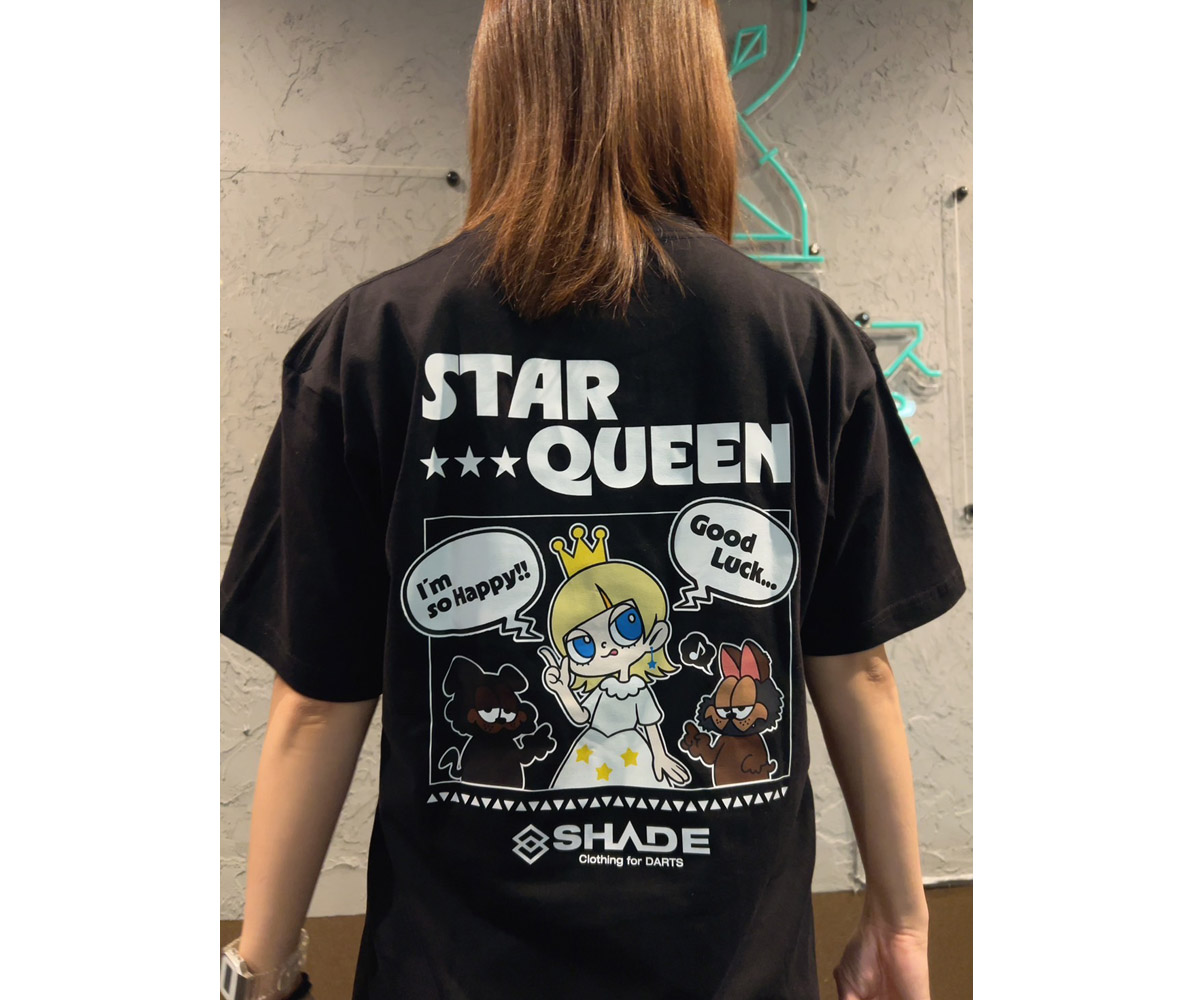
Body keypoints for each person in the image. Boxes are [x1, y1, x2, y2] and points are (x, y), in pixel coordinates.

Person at [218, 1, 966, 998]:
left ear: (502, 87)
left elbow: (317, 706)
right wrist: (901, 926)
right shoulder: (806, 343)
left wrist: (258, 971)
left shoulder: (371, 343)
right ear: (696, 91)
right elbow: (857, 667)